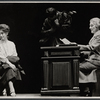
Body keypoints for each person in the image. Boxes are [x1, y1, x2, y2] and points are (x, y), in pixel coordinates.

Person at [78, 17, 100, 96]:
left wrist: (77, 46)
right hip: (94, 59)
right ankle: (86, 87)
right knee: (77, 65)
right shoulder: (96, 35)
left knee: (76, 67)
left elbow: (92, 47)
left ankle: (86, 87)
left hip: (97, 61)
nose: (89, 28)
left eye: (91, 26)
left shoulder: (98, 35)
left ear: (96, 26)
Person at [0, 24, 22, 96]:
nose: (0, 35)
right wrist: (9, 62)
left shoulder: (12, 44)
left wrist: (8, 59)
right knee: (9, 68)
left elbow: (15, 57)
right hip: (1, 66)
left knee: (9, 69)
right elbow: (1, 58)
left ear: (7, 33)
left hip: (9, 66)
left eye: (2, 33)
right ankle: (11, 89)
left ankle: (6, 88)